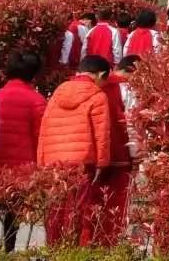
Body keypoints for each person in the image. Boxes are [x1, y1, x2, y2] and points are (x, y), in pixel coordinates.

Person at [38, 55, 113, 247]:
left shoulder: (57, 93)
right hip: (81, 160)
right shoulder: (98, 96)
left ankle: (53, 250)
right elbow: (101, 133)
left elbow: (44, 128)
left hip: (53, 160)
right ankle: (71, 251)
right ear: (101, 75)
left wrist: (41, 161)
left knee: (55, 208)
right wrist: (102, 163)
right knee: (77, 209)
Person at [0, 51, 42, 252]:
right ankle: (9, 251)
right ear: (34, 74)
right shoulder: (37, 100)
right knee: (13, 215)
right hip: (22, 169)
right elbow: (40, 137)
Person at [91, 54, 137, 247]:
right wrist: (136, 156)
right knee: (115, 206)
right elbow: (133, 123)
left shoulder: (92, 85)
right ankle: (108, 247)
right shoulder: (127, 88)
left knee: (90, 204)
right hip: (119, 154)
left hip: (90, 155)